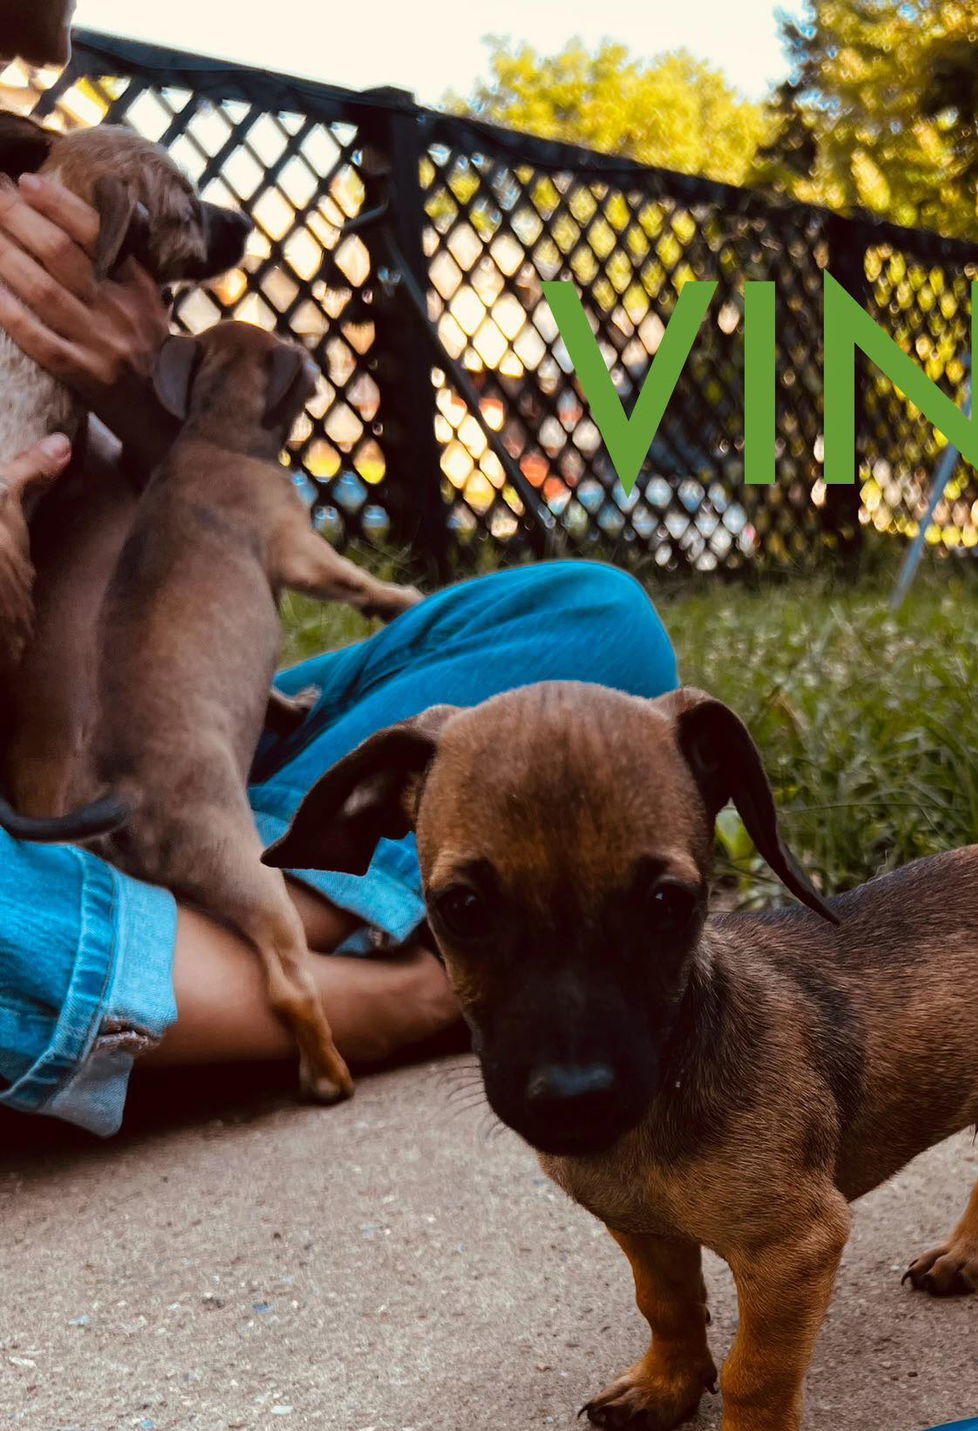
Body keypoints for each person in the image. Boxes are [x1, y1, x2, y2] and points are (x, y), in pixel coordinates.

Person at [0, 159, 678, 1138]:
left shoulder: (59, 192)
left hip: (158, 769)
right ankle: (341, 993)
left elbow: (204, 553)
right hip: (35, 833)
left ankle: (245, 918)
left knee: (588, 619)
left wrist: (135, 397)